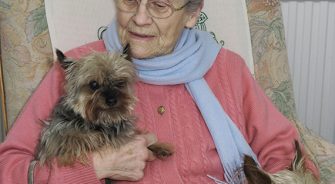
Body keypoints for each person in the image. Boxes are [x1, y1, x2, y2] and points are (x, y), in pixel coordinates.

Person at [0, 0, 319, 183]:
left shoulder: (227, 69)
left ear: (192, 13)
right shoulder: (75, 70)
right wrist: (97, 166)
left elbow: (284, 149)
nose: (139, 18)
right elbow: (8, 167)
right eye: (130, 1)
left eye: (160, 5)